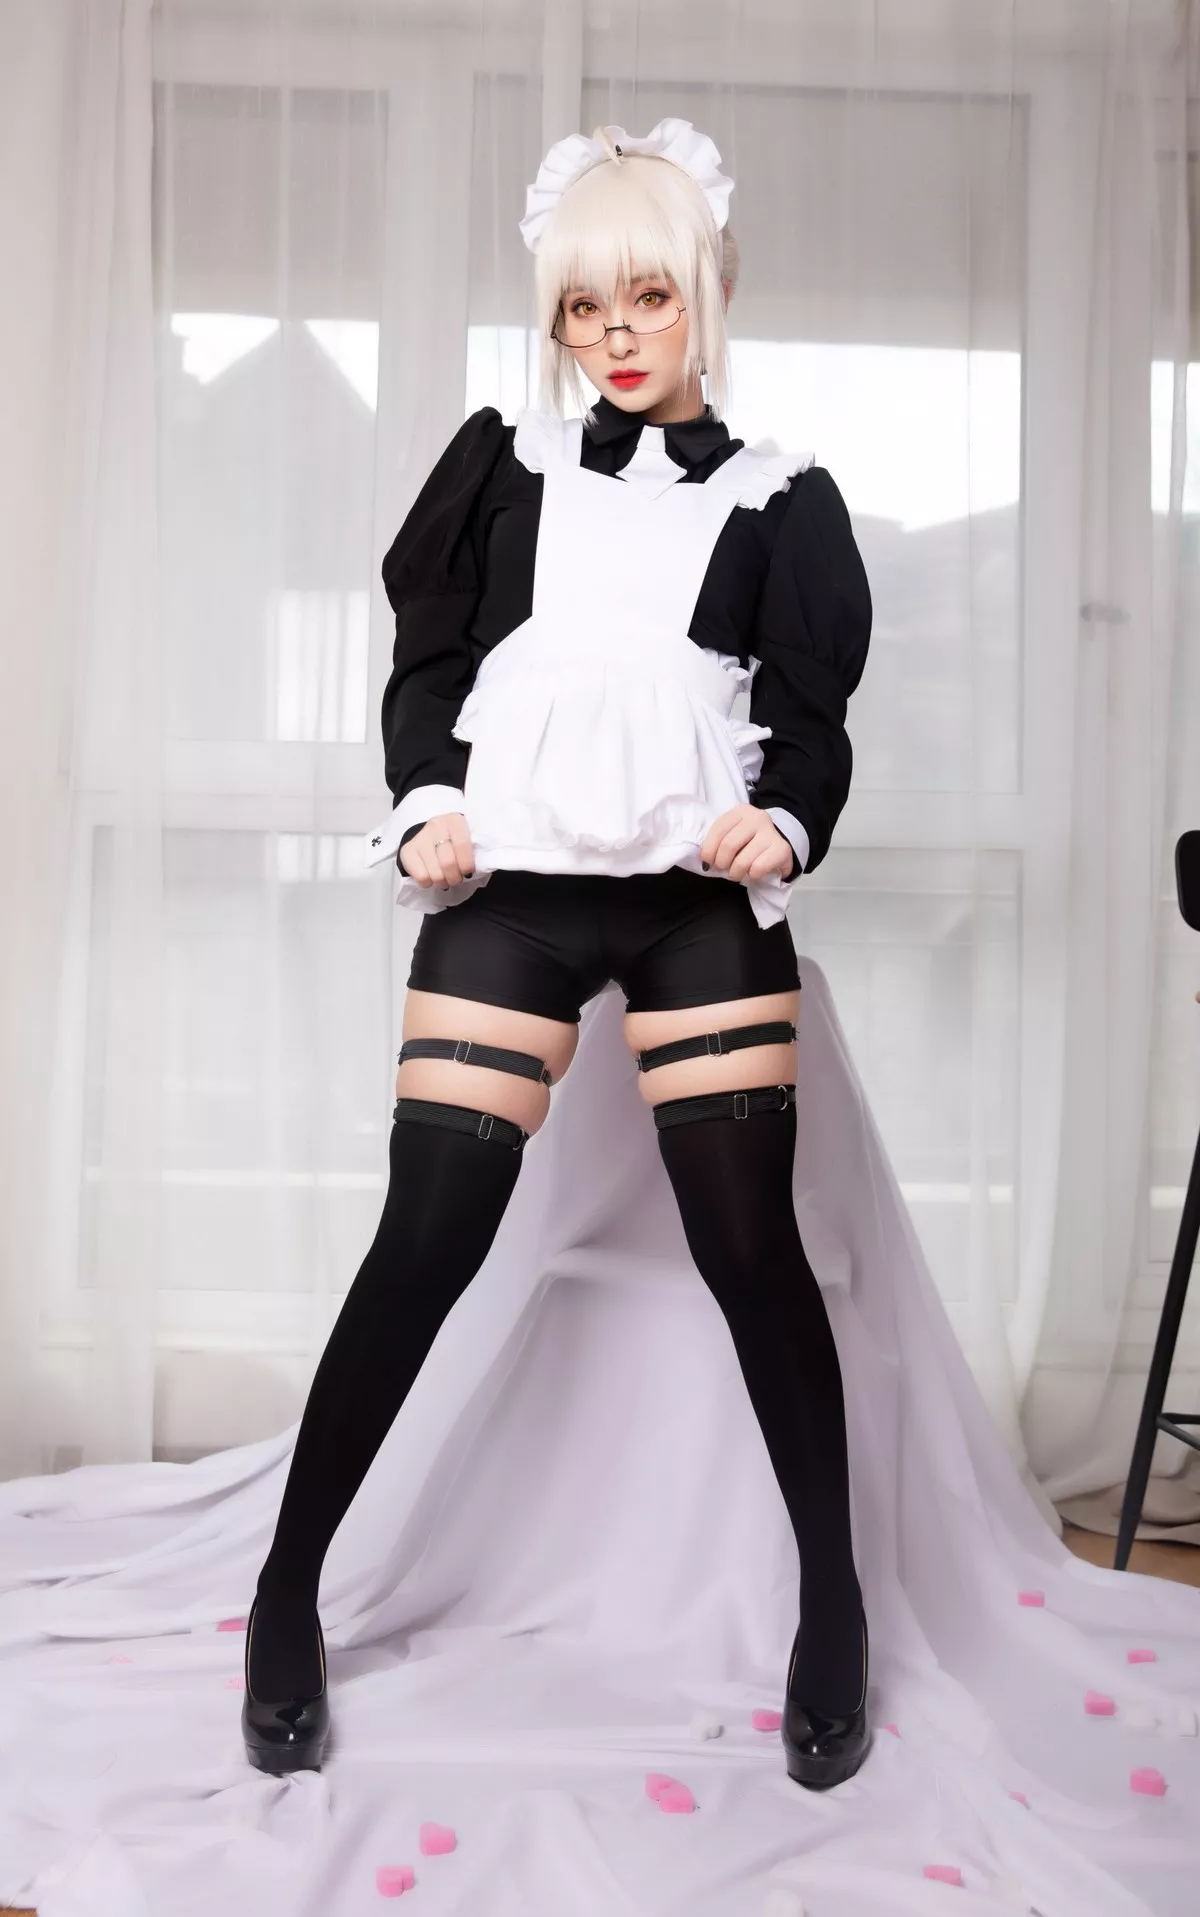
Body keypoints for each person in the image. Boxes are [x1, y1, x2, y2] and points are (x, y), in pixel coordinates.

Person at [241, 116, 874, 1793]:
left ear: (707, 293)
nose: (616, 334)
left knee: (750, 1251)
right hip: (512, 890)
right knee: (425, 1237)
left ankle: (833, 1609)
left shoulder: (782, 499)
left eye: (648, 298)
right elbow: (426, 667)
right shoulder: (501, 464)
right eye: (586, 306)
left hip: (691, 903)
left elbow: (811, 718)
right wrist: (424, 803)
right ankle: (285, 1596)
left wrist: (785, 822)